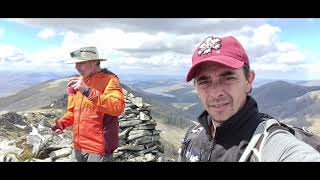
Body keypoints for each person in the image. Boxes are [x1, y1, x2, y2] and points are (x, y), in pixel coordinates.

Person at [179, 35, 320, 162]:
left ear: (249, 80)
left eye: (228, 77)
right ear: (196, 87)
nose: (216, 93)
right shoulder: (193, 136)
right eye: (204, 81)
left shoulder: (270, 143)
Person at [51, 46, 125, 162]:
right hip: (77, 147)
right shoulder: (80, 82)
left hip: (99, 150)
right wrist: (62, 123)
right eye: (75, 64)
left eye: (81, 63)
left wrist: (87, 91)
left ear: (94, 61)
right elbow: (73, 112)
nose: (76, 67)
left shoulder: (110, 80)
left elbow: (117, 108)